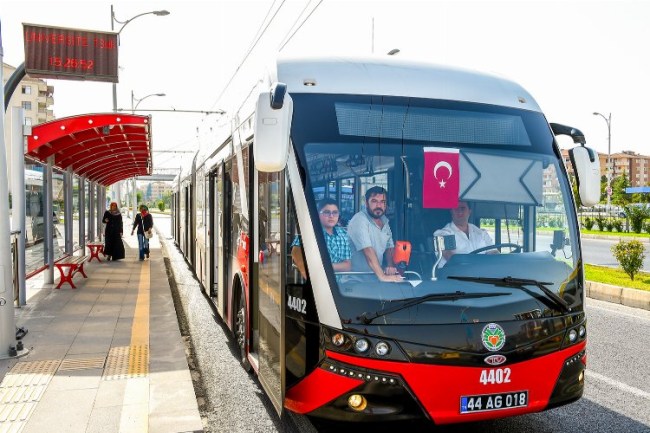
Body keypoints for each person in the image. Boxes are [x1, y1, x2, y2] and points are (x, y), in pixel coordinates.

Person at [347, 186, 402, 283]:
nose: (379, 205)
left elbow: (389, 248)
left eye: (382, 202)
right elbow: (368, 250)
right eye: (374, 201)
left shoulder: (384, 221)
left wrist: (390, 267)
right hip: (356, 281)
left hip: (374, 280)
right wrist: (382, 276)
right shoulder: (359, 220)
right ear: (366, 203)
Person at [291, 198, 352, 279]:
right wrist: (308, 276)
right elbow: (296, 252)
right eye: (326, 212)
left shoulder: (343, 234)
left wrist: (322, 266)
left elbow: (347, 266)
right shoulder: (309, 231)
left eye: (335, 212)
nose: (331, 216)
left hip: (338, 284)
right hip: (316, 281)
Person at [434, 200, 496, 267]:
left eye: (463, 208)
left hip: (483, 271)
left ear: (469, 211)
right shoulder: (442, 234)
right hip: (454, 272)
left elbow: (494, 253)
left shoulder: (481, 233)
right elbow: (451, 258)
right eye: (456, 208)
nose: (459, 211)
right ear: (451, 211)